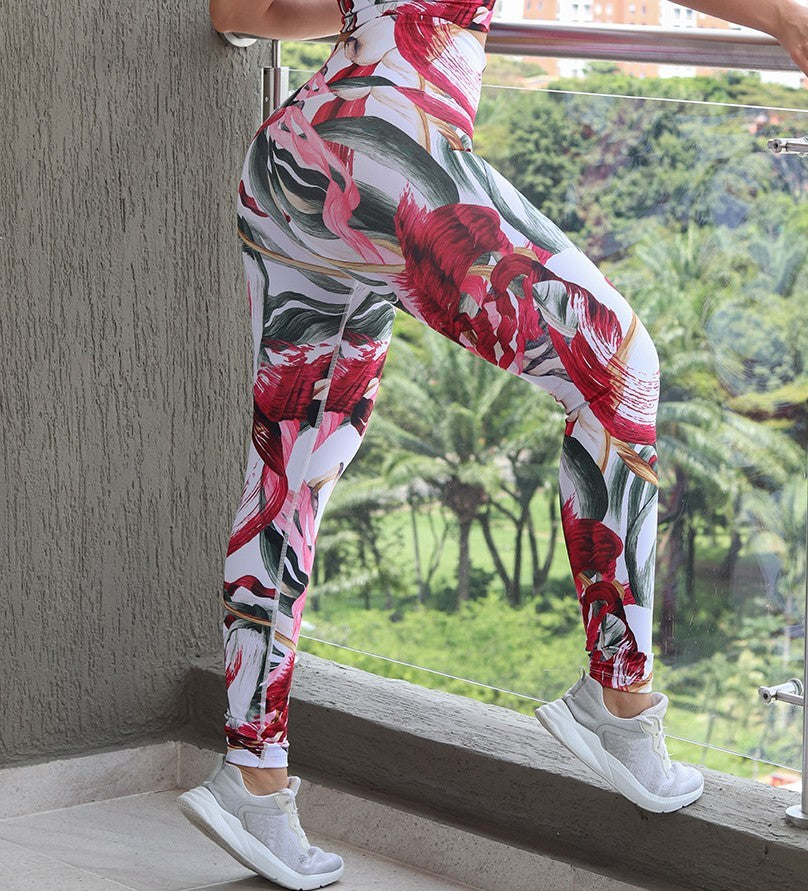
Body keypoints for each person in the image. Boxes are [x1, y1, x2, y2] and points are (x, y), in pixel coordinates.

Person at [177, 0, 808, 886]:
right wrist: (784, 19)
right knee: (620, 363)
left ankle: (253, 775)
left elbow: (246, 12)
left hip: (291, 160)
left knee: (290, 470)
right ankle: (619, 696)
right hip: (388, 152)